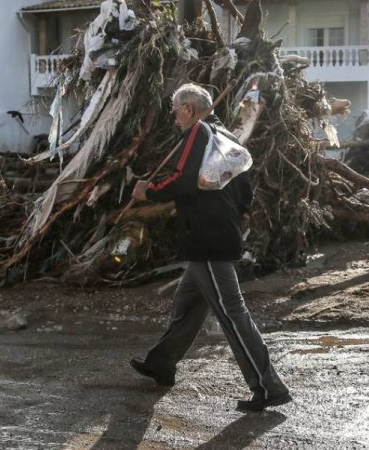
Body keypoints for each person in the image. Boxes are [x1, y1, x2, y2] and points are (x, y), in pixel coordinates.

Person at [129, 83, 291, 412]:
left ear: (189, 109)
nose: (174, 118)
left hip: (207, 240)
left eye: (176, 111)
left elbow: (183, 180)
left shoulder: (198, 133)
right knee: (187, 304)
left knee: (233, 313)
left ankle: (268, 385)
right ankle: (162, 362)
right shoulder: (227, 136)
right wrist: (230, 214)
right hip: (216, 235)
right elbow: (245, 188)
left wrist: (149, 190)